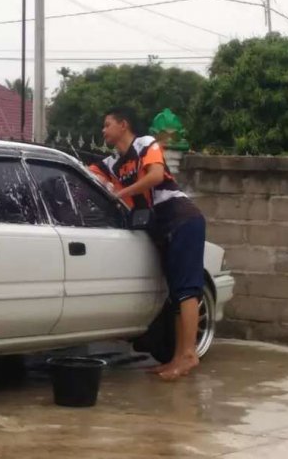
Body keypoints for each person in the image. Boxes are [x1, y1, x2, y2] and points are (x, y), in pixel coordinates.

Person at [89, 106, 206, 381]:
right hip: (161, 227)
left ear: (123, 125)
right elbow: (87, 175)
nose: (103, 130)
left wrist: (122, 193)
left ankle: (188, 354)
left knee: (187, 290)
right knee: (177, 292)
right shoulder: (112, 164)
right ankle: (178, 357)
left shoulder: (145, 144)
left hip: (181, 218)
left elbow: (154, 176)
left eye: (107, 125)